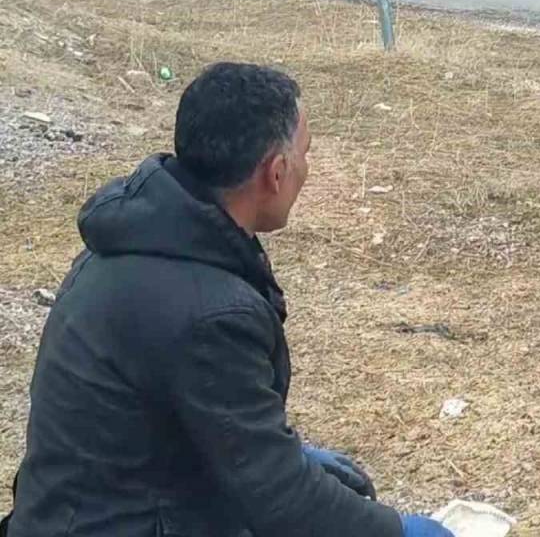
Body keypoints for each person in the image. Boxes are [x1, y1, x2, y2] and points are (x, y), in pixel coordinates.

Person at [2, 63, 452, 537]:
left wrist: (291, 456)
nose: (307, 168)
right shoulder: (210, 314)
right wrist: (399, 532)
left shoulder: (136, 238)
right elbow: (283, 502)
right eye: (304, 154)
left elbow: (174, 411)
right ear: (276, 173)